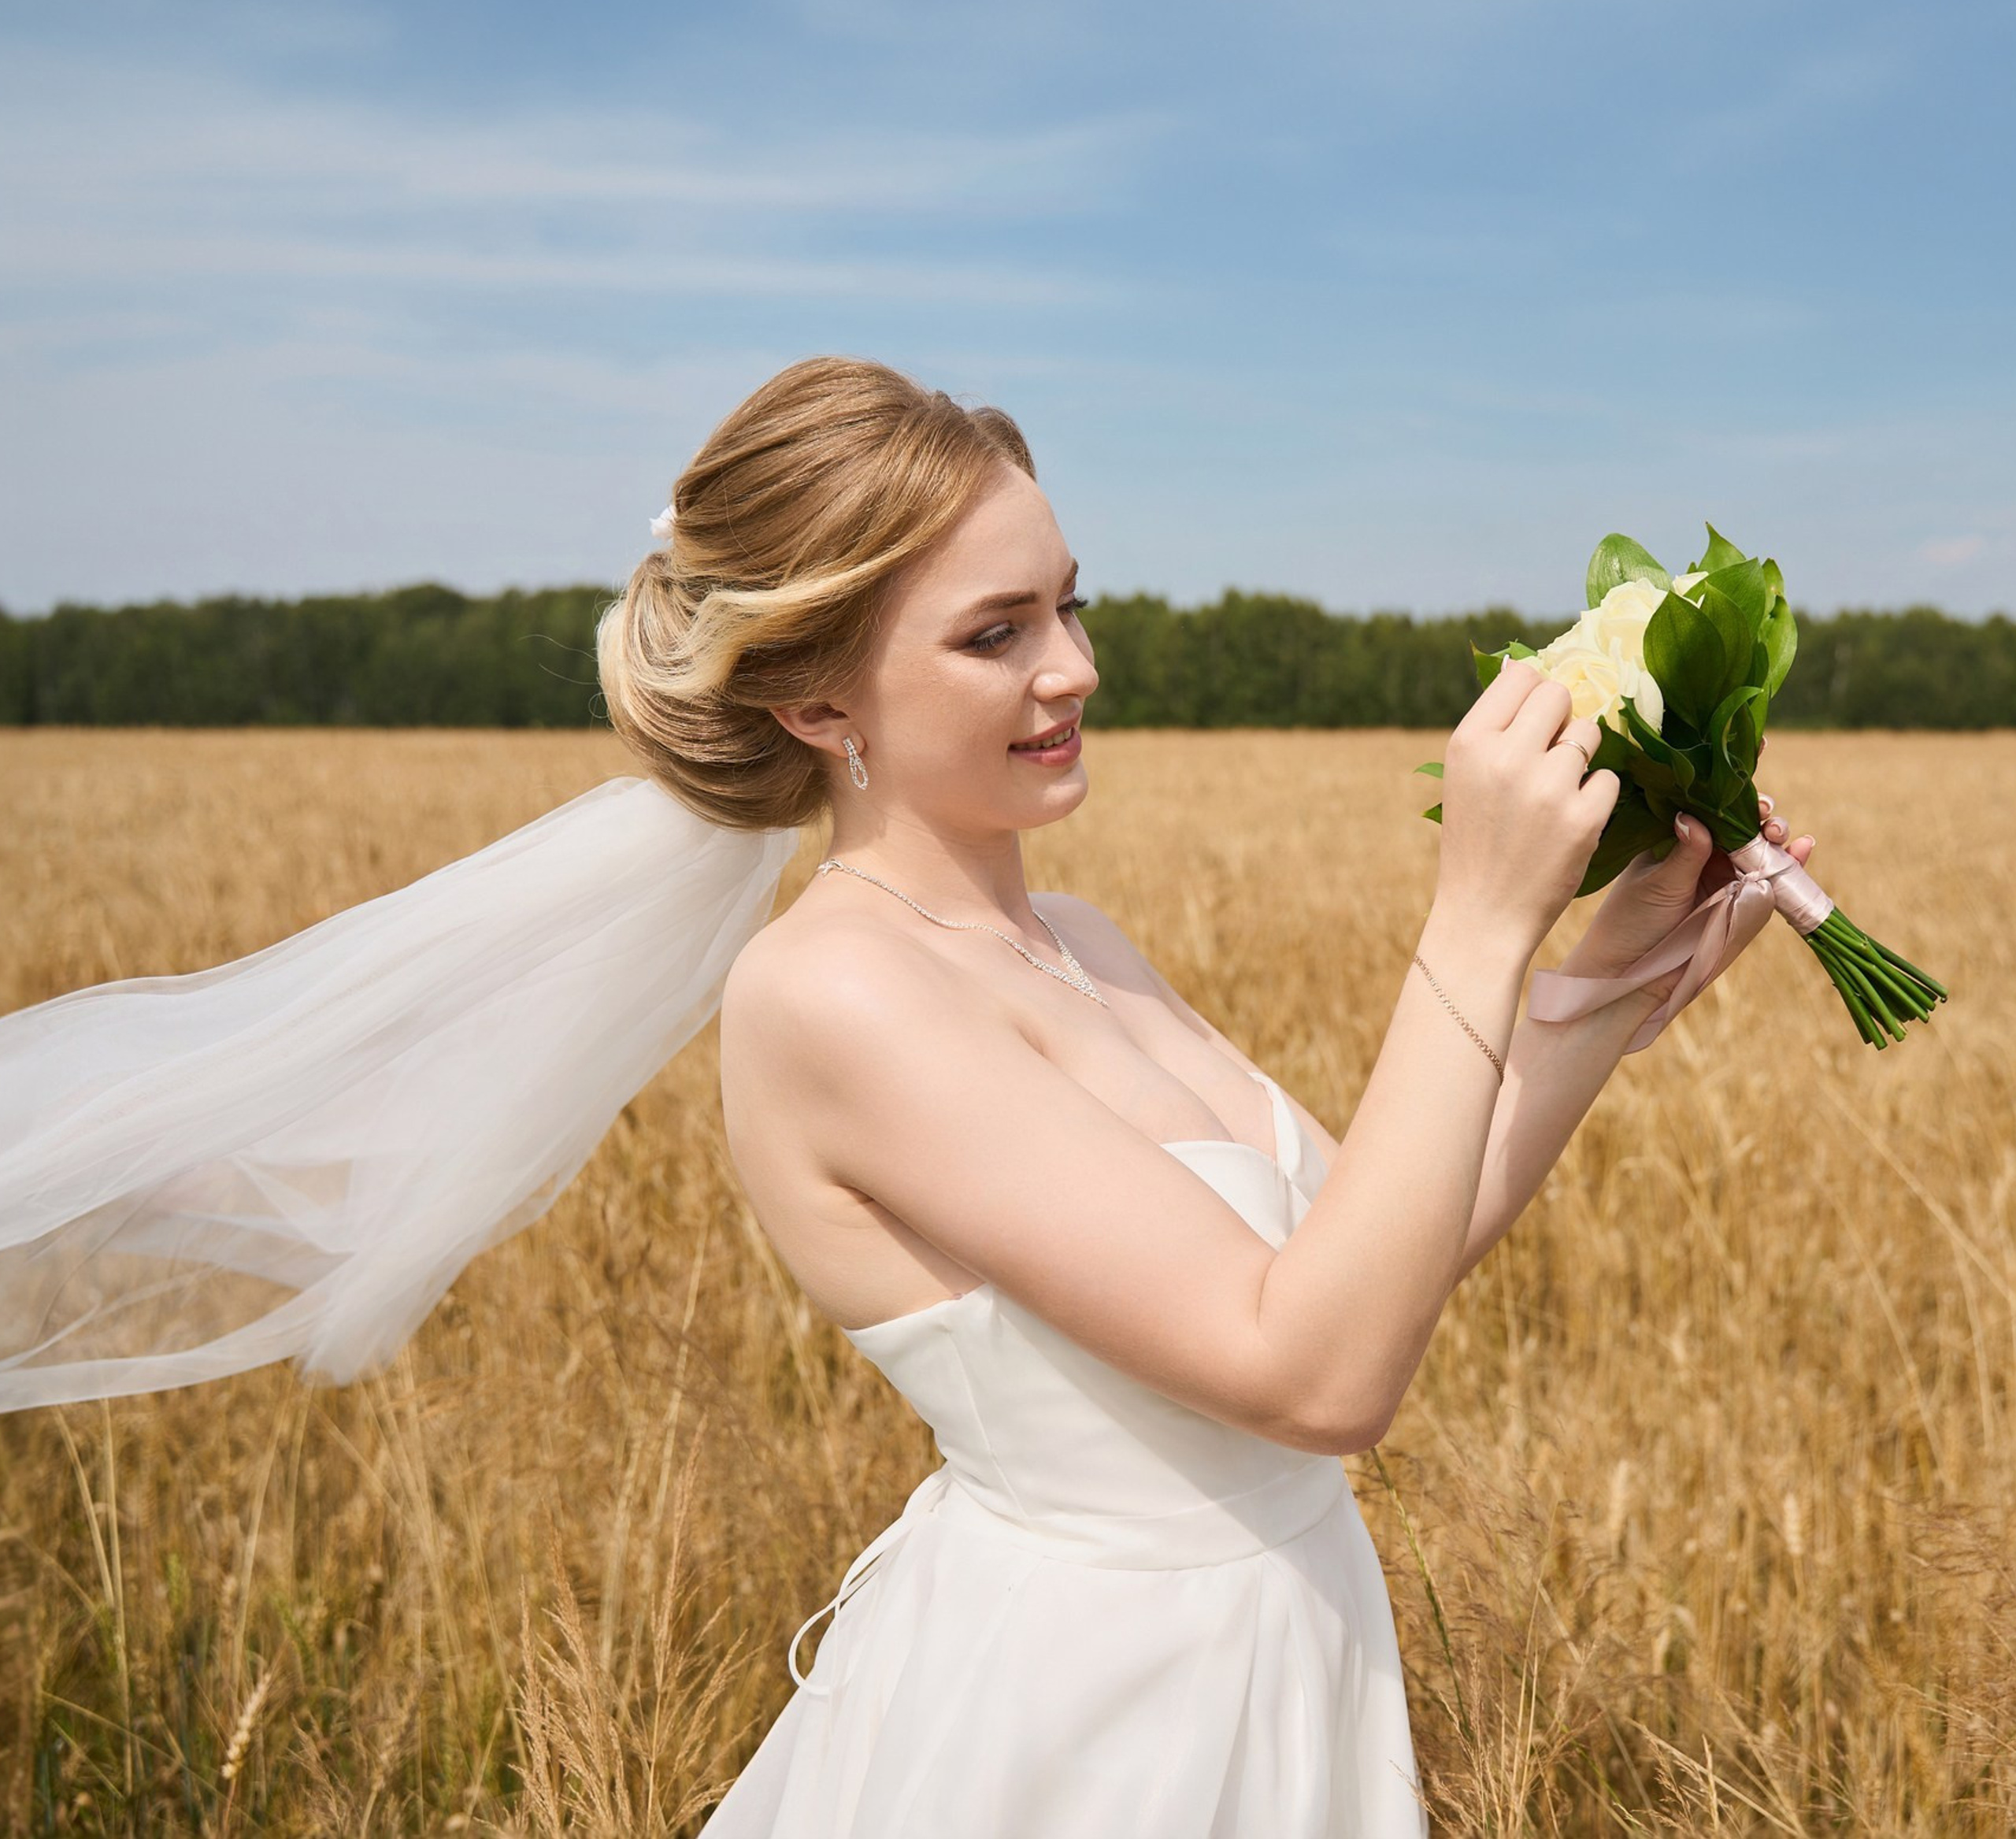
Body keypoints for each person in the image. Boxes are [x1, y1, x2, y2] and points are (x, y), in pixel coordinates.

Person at [0, 354, 1814, 1834]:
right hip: (1088, 1726)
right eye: (994, 631)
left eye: (1070, 605)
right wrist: (1473, 924)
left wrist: (1591, 982)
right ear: (810, 699)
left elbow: (1363, 1245)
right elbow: (1321, 1373)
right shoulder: (830, 992)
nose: (1074, 669)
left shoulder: (1081, 941)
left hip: (1278, 1651)